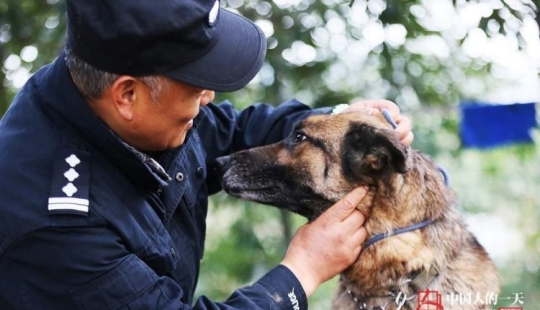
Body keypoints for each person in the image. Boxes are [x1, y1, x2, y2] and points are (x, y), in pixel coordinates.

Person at [0, 0, 413, 309]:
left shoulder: (126, 99)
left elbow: (235, 131)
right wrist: (302, 269)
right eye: (197, 85)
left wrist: (342, 122)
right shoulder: (54, 222)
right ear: (128, 94)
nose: (209, 98)